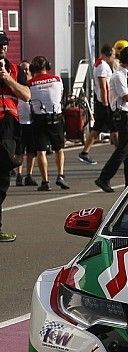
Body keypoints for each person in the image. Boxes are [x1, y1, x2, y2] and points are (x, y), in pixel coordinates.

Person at [95, 47, 128, 192]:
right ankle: (104, 177)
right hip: (123, 114)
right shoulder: (118, 76)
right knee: (123, 149)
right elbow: (127, 97)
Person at [0, 32, 30, 242]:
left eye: (4, 45)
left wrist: (7, 79)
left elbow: (26, 95)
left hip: (8, 127)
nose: (2, 48)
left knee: (2, 180)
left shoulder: (14, 69)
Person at [28, 56, 68, 192]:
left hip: (39, 119)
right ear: (48, 66)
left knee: (41, 151)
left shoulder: (30, 83)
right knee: (59, 149)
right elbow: (61, 95)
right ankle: (60, 175)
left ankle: (45, 181)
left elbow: (28, 99)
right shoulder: (57, 79)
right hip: (55, 117)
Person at [78, 44, 116, 165]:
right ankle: (121, 152)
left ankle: (85, 152)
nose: (114, 57)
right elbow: (103, 86)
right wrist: (105, 103)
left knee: (98, 128)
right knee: (114, 127)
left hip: (104, 101)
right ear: (108, 54)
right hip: (104, 102)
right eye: (113, 55)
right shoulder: (102, 66)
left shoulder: (101, 64)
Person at [14, 60, 36, 187]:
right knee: (19, 151)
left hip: (32, 121)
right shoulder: (16, 85)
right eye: (22, 69)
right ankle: (19, 175)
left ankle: (29, 175)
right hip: (20, 121)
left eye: (27, 69)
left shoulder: (33, 84)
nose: (25, 71)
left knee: (32, 151)